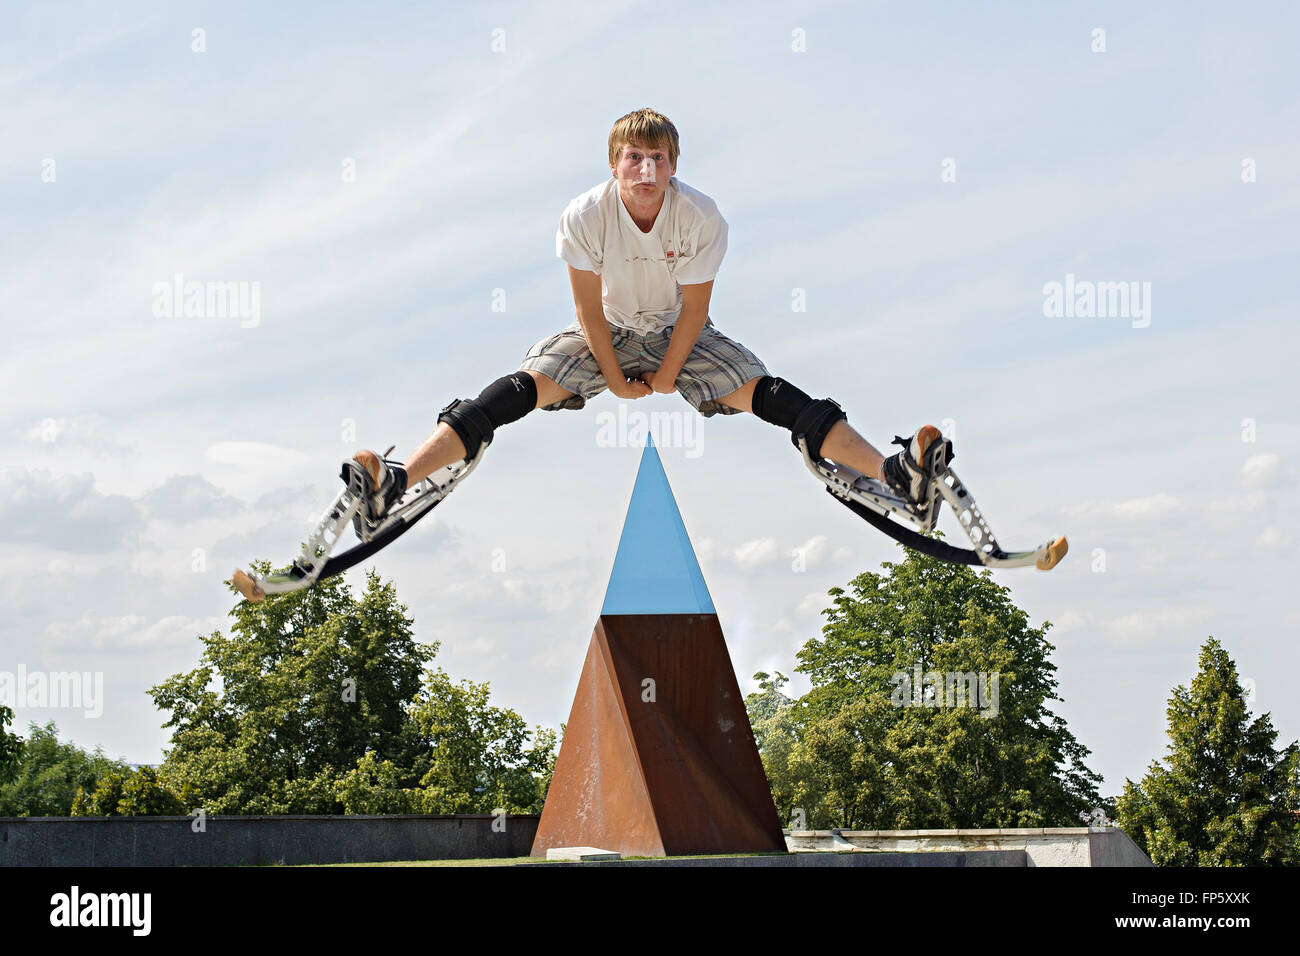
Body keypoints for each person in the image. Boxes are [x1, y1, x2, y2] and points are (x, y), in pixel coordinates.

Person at [349, 107, 941, 525]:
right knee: (511, 393)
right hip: (603, 330)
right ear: (615, 165)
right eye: (634, 158)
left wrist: (663, 378)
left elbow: (696, 309)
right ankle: (393, 482)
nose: (646, 171)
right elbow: (585, 308)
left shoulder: (700, 216)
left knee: (774, 396)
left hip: (679, 331)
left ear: (673, 164)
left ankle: (896, 475)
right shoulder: (585, 215)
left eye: (658, 158)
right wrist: (611, 378)